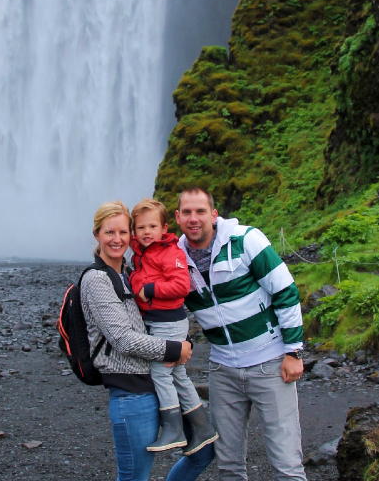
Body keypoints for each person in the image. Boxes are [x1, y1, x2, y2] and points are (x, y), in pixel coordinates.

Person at [175, 188, 307, 481]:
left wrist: (293, 351)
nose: (193, 219)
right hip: (222, 371)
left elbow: (286, 291)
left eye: (200, 212)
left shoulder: (247, 240)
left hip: (271, 364)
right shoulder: (176, 259)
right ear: (177, 217)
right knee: (229, 466)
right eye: (186, 212)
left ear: (213, 214)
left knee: (286, 465)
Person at [80, 200, 215, 481]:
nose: (117, 240)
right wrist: (175, 349)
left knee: (204, 453)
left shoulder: (130, 272)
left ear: (131, 236)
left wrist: (182, 336)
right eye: (109, 233)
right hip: (132, 392)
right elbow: (124, 340)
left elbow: (157, 315)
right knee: (134, 477)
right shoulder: (97, 280)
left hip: (157, 381)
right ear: (97, 235)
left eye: (122, 233)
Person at [129, 198, 219, 454]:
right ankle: (202, 428)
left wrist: (149, 289)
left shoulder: (169, 252)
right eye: (141, 228)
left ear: (165, 227)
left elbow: (182, 286)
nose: (147, 232)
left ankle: (173, 429)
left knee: (160, 374)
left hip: (168, 322)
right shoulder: (140, 255)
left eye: (152, 227)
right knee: (177, 375)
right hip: (160, 321)